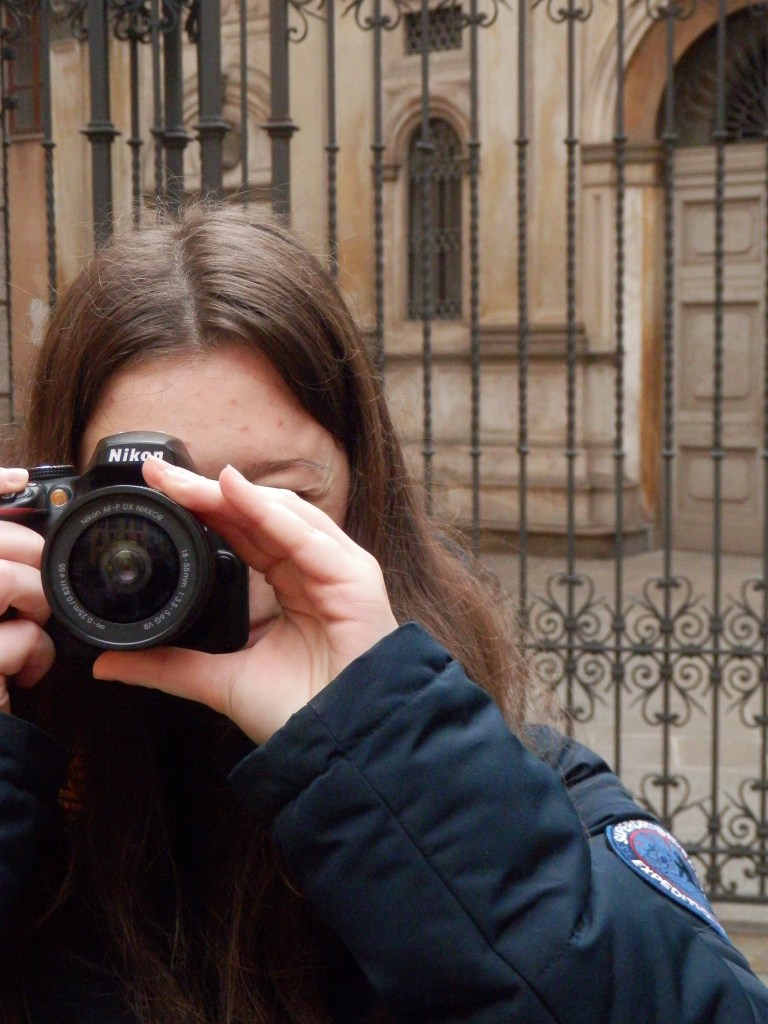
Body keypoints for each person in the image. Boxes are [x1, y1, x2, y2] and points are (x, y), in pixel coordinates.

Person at [0, 205, 765, 1024]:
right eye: (144, 511)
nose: (210, 552)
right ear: (53, 508)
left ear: (364, 497)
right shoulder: (33, 806)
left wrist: (388, 750)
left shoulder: (510, 796)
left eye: (277, 500)